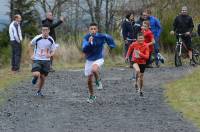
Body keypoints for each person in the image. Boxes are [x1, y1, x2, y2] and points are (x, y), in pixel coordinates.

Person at [82, 22, 116, 103]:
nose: (93, 30)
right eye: (91, 29)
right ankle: (92, 96)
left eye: (94, 29)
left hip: (99, 58)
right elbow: (84, 49)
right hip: (89, 60)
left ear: (97, 30)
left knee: (94, 69)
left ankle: (98, 80)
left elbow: (109, 38)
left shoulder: (101, 36)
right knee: (89, 81)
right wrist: (89, 43)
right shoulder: (86, 37)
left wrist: (111, 46)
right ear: (89, 30)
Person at [29, 24, 56, 96]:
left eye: (46, 30)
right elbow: (30, 45)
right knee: (36, 74)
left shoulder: (51, 40)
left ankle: (39, 91)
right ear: (41, 31)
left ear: (49, 31)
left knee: (43, 77)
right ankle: (35, 78)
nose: (45, 31)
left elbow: (53, 51)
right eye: (43, 30)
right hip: (37, 59)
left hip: (46, 61)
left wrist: (50, 55)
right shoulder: (37, 38)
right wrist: (31, 54)